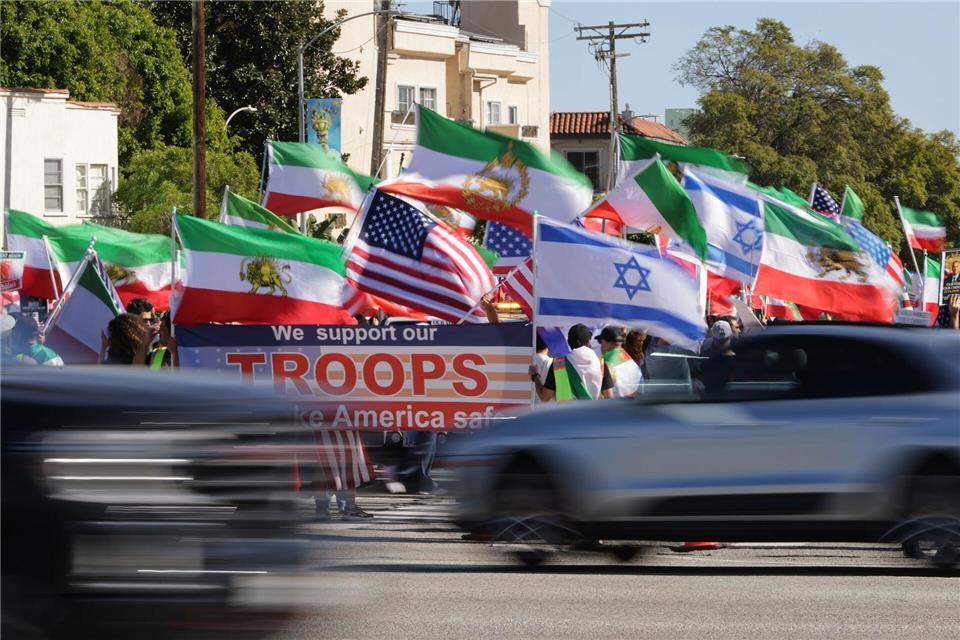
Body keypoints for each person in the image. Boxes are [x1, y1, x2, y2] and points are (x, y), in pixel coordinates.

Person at [528, 324, 614, 401]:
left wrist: (535, 376)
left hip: (567, 413)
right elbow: (609, 398)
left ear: (569, 343)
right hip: (592, 413)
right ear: (588, 342)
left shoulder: (558, 364)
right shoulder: (601, 363)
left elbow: (545, 397)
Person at [595, 325, 643, 398]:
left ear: (605, 342)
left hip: (615, 404)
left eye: (600, 341)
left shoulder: (602, 364)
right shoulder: (631, 362)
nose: (600, 345)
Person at [699, 320, 736, 394]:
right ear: (731, 336)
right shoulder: (741, 361)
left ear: (713, 337)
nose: (722, 345)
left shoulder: (705, 363)